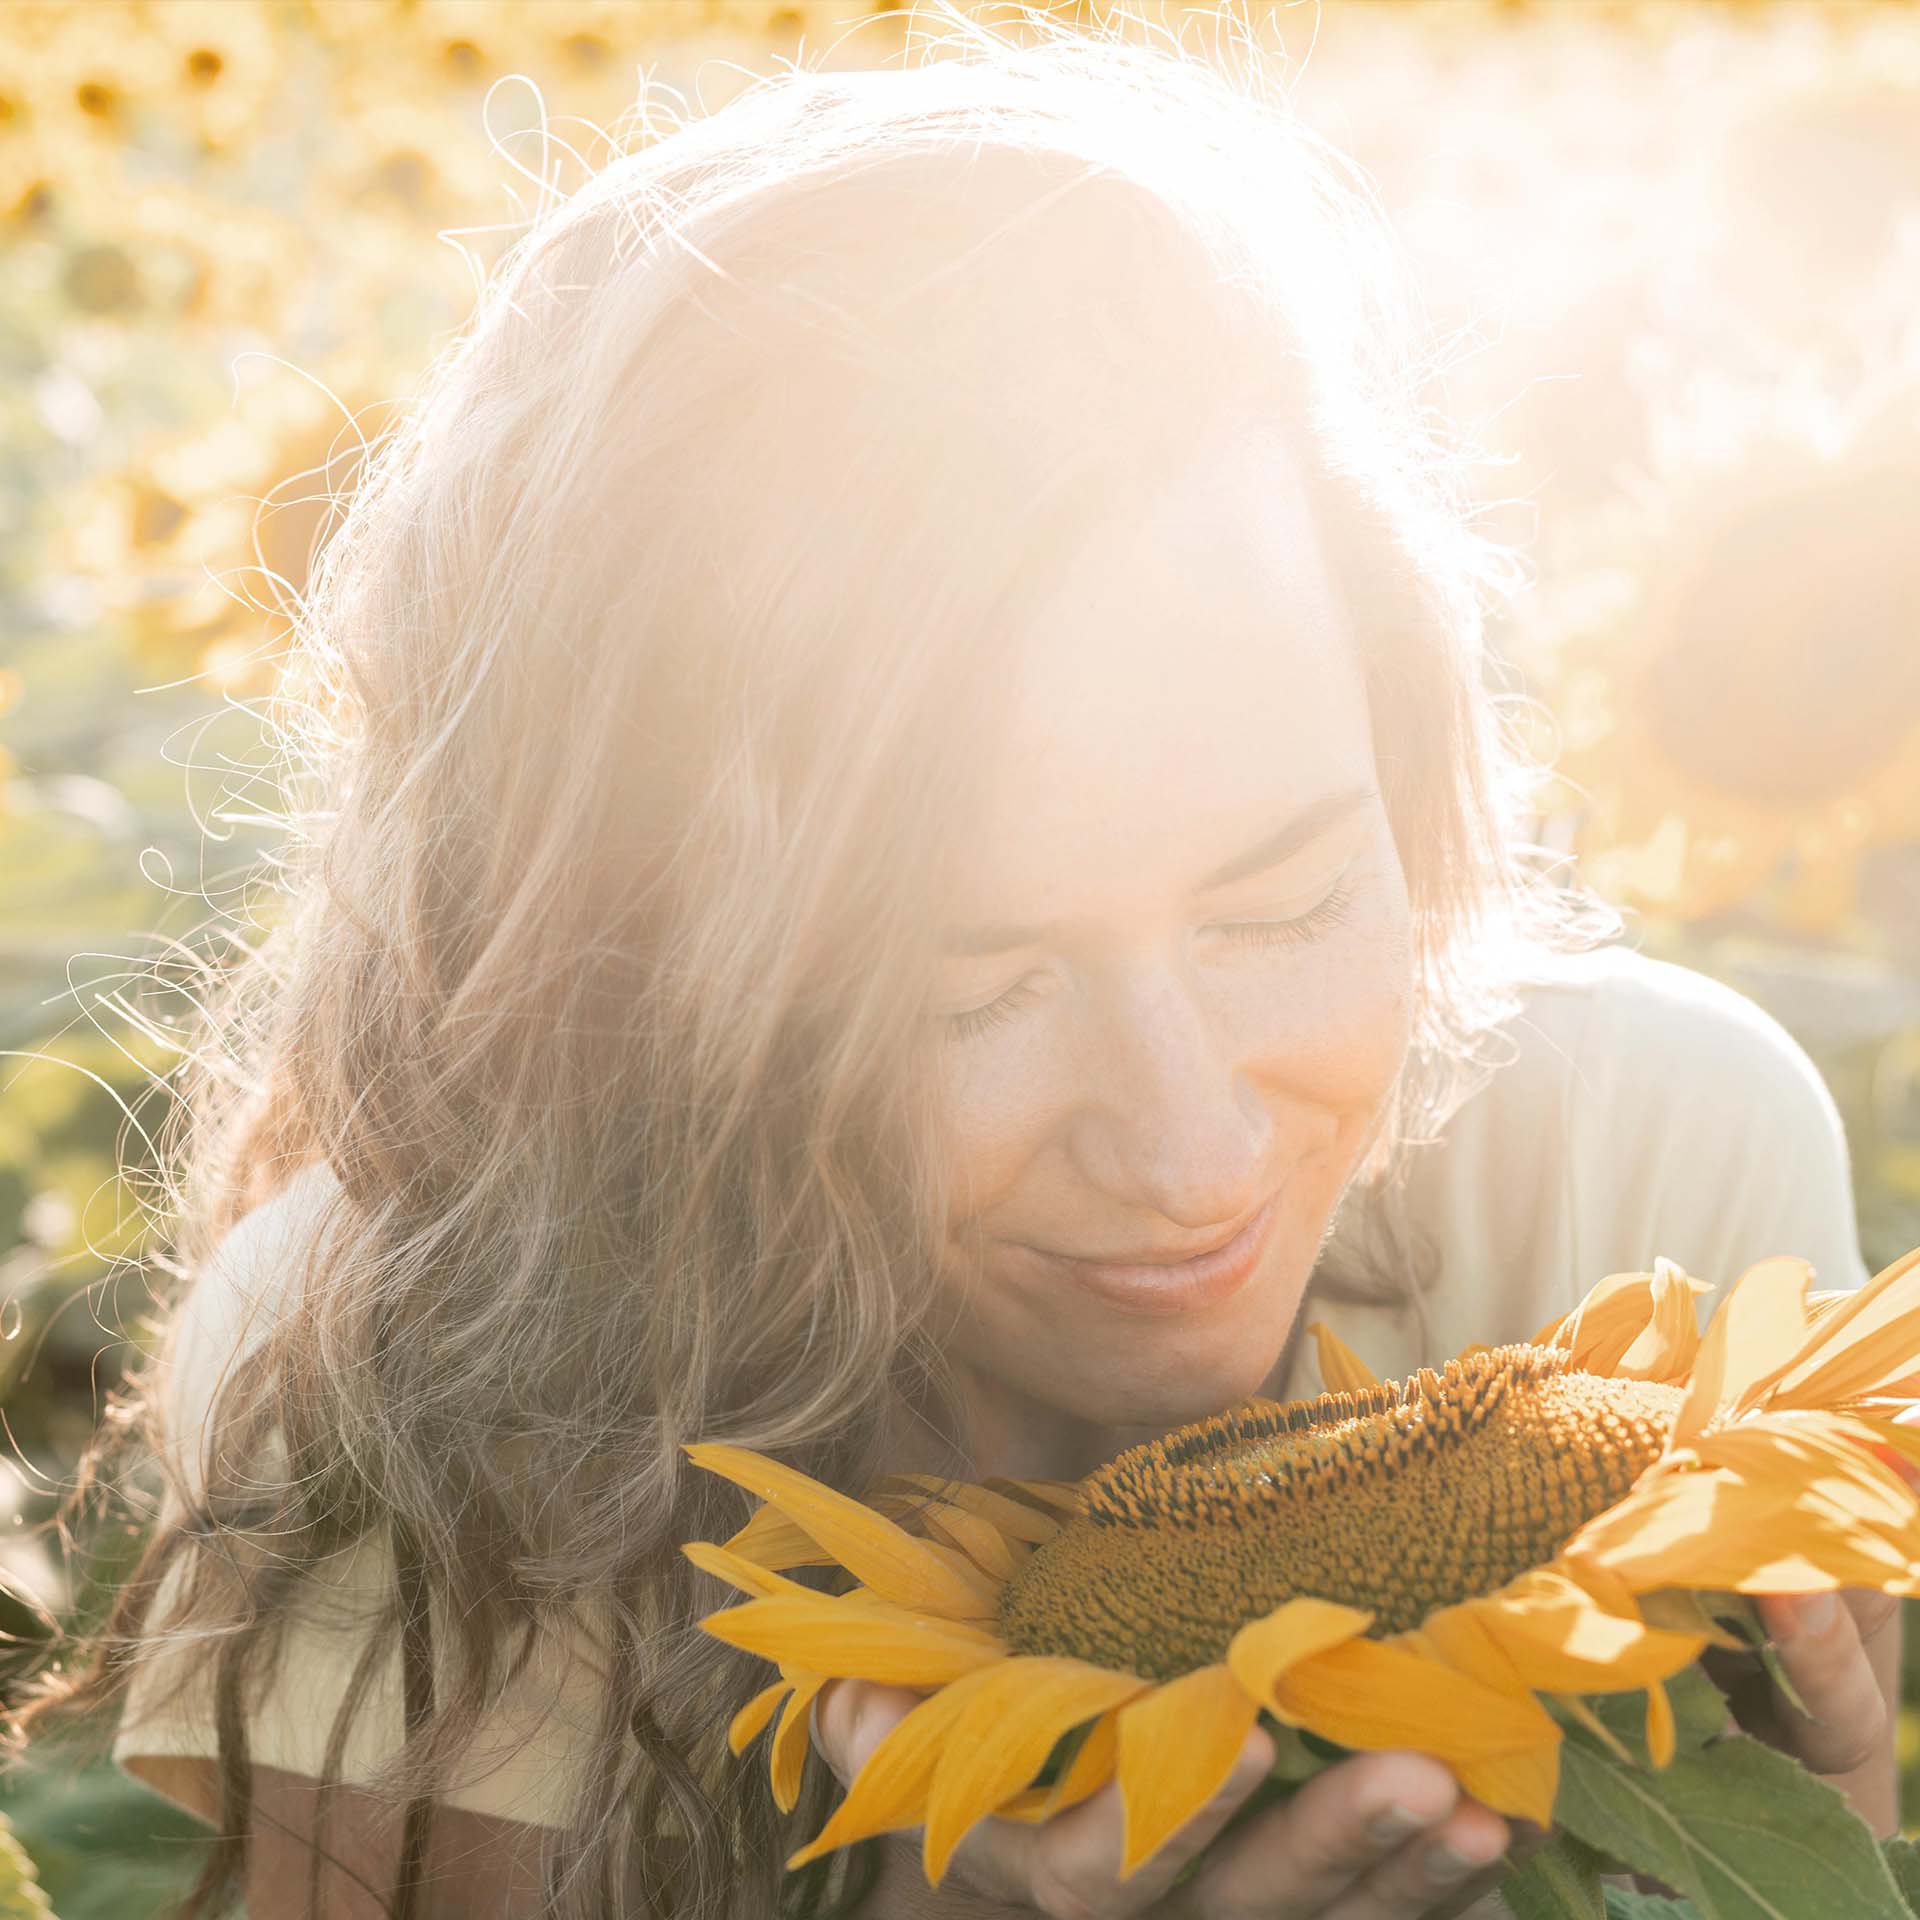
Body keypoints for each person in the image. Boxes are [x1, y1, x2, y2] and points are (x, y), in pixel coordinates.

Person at [8, 15, 1897, 1920]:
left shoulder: (1647, 1181)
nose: (1185, 1153)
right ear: (629, 996)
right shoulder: (417, 1375)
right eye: (961, 994)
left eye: (1283, 902)